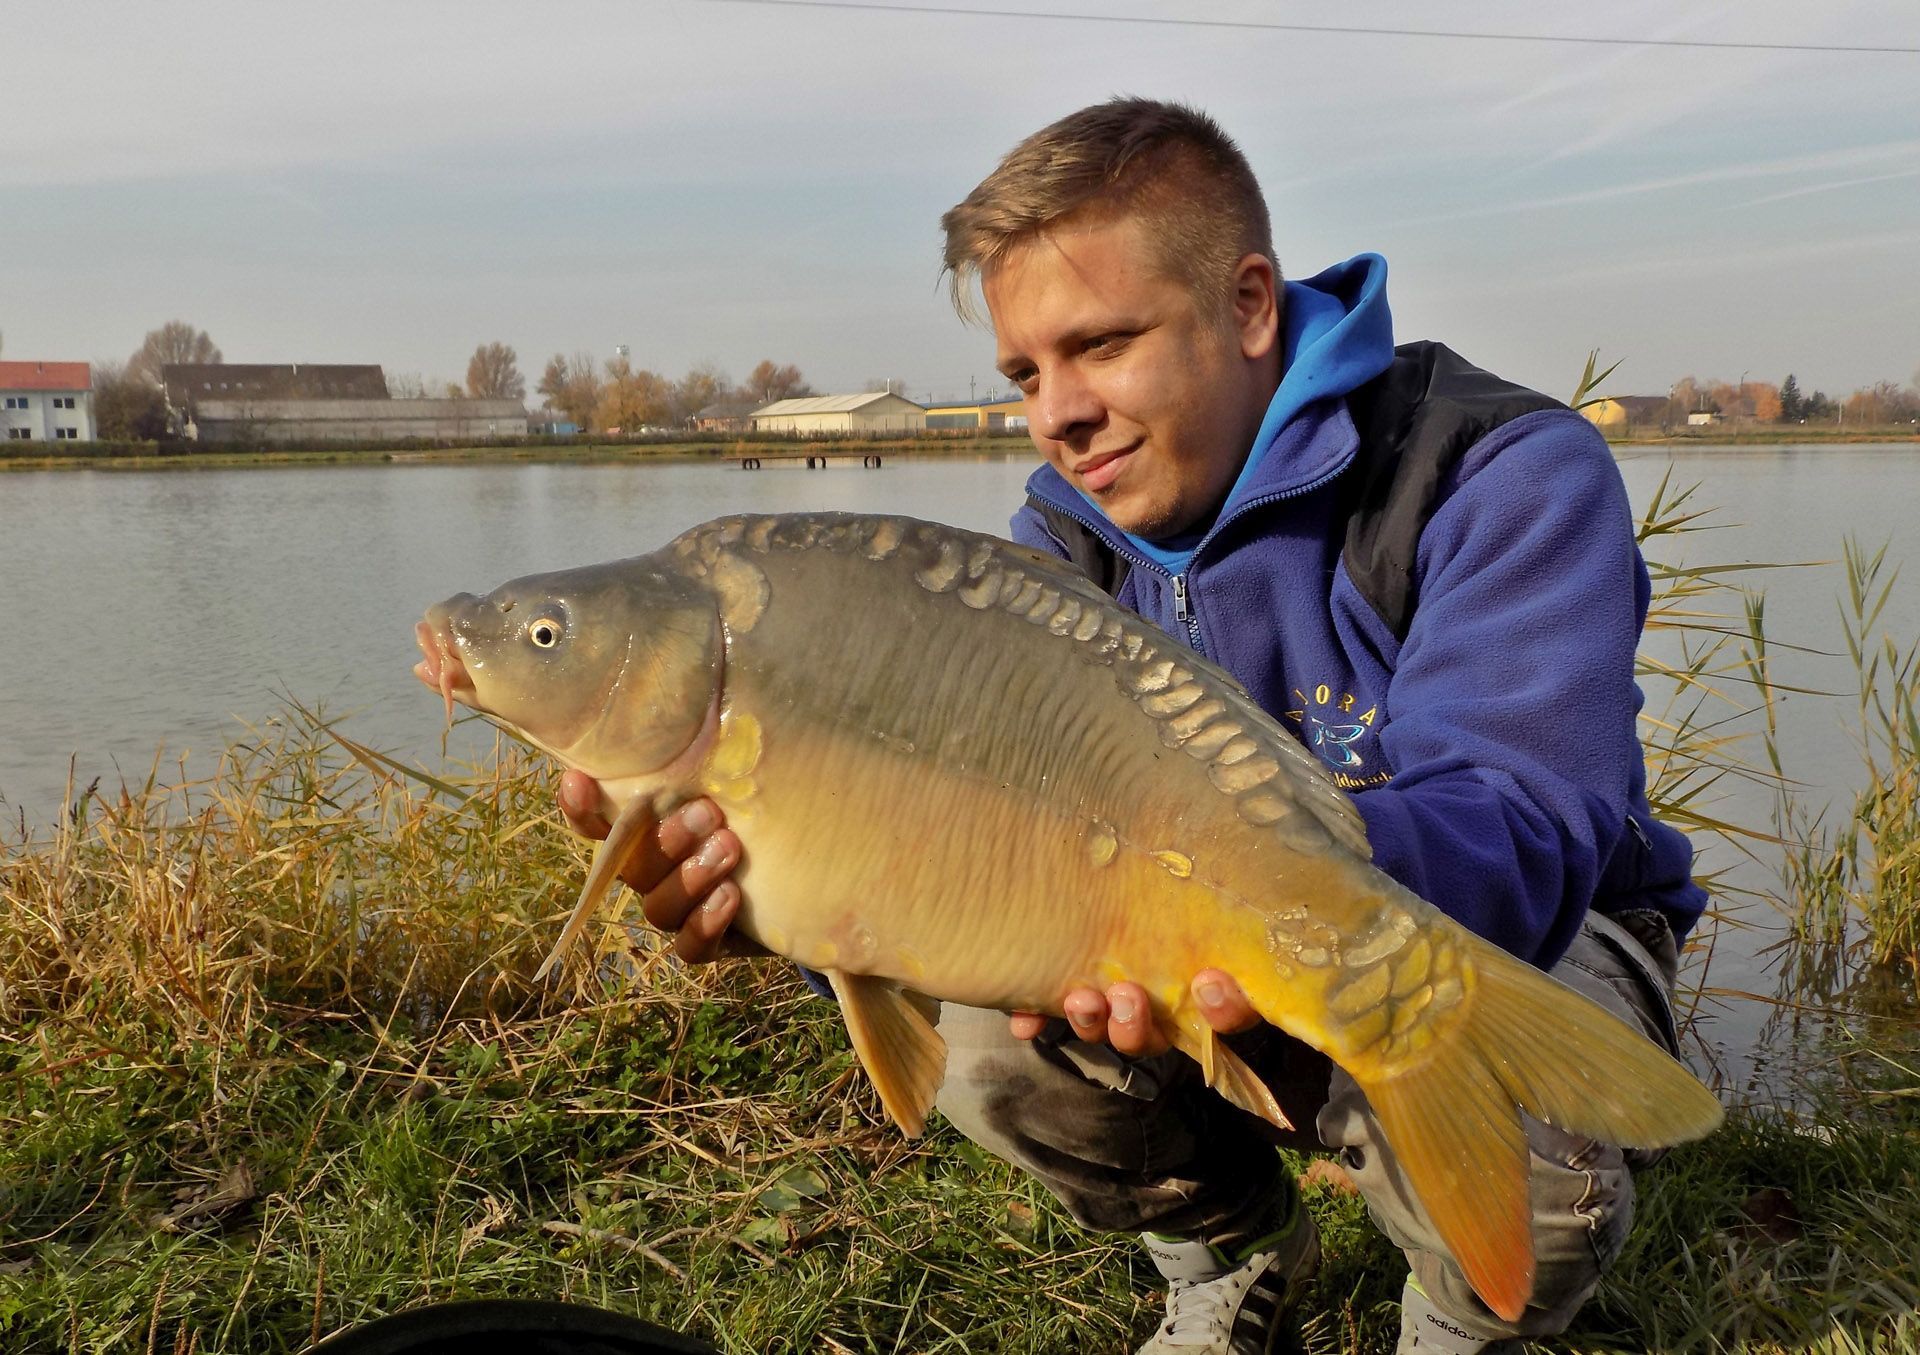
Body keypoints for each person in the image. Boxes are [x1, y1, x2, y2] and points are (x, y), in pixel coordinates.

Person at [558, 97, 1707, 1355]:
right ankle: (1233, 1251)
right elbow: (934, 849)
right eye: (1024, 373)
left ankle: (1470, 1308)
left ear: (1250, 305)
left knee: (1544, 1160)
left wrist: (1253, 889)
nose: (1058, 414)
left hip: (1525, 922)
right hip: (1185, 924)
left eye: (1100, 345)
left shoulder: (1493, 468)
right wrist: (769, 897)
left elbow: (1529, 821)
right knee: (992, 1042)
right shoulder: (1053, 551)